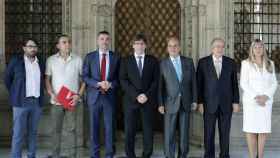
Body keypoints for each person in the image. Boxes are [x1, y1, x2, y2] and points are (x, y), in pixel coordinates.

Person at [197, 37, 240, 158]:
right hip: (208, 104)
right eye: (217, 46)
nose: (219, 49)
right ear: (212, 48)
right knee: (209, 133)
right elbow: (199, 84)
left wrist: (236, 101)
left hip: (226, 104)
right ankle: (209, 155)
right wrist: (200, 102)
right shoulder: (203, 62)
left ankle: (225, 155)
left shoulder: (230, 62)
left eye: (221, 46)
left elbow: (234, 84)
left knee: (225, 133)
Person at [119, 33, 159, 158]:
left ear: (145, 45)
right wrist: (136, 95)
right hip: (131, 101)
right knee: (130, 130)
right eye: (136, 43)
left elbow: (156, 81)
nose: (139, 46)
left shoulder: (153, 60)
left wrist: (146, 95)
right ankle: (130, 154)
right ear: (133, 45)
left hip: (148, 100)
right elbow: (123, 80)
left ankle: (147, 154)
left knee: (148, 130)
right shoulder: (126, 61)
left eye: (142, 43)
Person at [45, 35, 85, 158]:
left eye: (69, 42)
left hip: (72, 101)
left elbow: (84, 80)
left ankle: (72, 155)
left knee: (71, 130)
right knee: (55, 130)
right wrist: (52, 94)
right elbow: (47, 79)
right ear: (58, 46)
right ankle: (55, 155)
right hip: (56, 101)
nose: (67, 44)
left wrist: (78, 95)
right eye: (64, 42)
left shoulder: (78, 59)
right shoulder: (51, 60)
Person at [4, 38, 45, 158]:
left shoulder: (41, 62)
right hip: (20, 103)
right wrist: (15, 92)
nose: (33, 49)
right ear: (24, 48)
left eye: (35, 46)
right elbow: (7, 79)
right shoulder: (16, 61)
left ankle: (31, 155)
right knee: (18, 133)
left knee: (33, 132)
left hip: (36, 102)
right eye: (30, 46)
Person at [82, 31, 120, 158]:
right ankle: (95, 154)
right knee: (94, 128)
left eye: (107, 39)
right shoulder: (90, 57)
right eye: (102, 39)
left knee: (109, 128)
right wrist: (97, 83)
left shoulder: (116, 57)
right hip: (94, 97)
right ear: (98, 41)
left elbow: (119, 78)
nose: (104, 41)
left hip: (109, 97)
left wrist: (111, 84)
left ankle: (109, 154)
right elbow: (85, 77)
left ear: (109, 41)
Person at [158, 36, 197, 158]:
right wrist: (160, 104)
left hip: (185, 102)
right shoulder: (163, 64)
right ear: (167, 48)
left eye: (175, 46)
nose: (173, 48)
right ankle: (169, 156)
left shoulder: (188, 61)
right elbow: (160, 86)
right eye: (170, 46)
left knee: (184, 134)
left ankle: (183, 155)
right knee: (169, 134)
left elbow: (194, 83)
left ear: (179, 47)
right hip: (169, 103)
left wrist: (195, 100)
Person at [240, 39, 277, 158]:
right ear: (252, 49)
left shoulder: (270, 63)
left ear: (263, 49)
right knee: (251, 130)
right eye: (255, 47)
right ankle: (252, 156)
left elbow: (274, 83)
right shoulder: (246, 63)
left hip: (265, 103)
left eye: (260, 47)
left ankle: (260, 156)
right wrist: (257, 97)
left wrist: (266, 96)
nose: (258, 49)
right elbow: (244, 83)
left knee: (263, 130)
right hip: (252, 102)